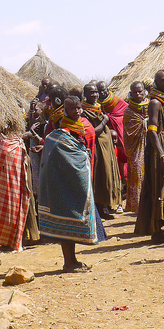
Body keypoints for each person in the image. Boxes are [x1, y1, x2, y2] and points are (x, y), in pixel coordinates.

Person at [38, 95, 100, 271]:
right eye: (73, 108)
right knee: (65, 222)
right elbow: (62, 158)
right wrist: (81, 159)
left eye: (79, 107)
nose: (77, 111)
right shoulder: (57, 136)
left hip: (72, 184)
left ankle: (73, 260)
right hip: (60, 185)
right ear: (65, 110)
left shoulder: (78, 129)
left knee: (71, 222)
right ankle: (68, 262)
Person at [134, 70, 164, 242]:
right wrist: (162, 155)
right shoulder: (155, 102)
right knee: (160, 186)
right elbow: (152, 132)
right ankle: (160, 229)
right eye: (163, 80)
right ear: (155, 82)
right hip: (160, 147)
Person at [82, 83, 121, 218]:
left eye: (96, 92)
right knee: (99, 177)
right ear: (85, 95)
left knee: (107, 176)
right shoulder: (83, 112)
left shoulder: (98, 108)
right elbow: (91, 132)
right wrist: (104, 122)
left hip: (106, 148)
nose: (94, 95)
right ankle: (99, 210)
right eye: (91, 93)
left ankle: (106, 207)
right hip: (97, 149)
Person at [96, 80, 129, 205]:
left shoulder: (116, 101)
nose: (102, 92)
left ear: (108, 89)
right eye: (99, 91)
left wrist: (111, 118)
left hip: (118, 135)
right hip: (106, 136)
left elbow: (125, 111)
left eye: (104, 89)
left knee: (123, 159)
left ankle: (125, 187)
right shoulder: (96, 104)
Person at [122, 81, 149, 213]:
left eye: (140, 91)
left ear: (145, 91)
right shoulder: (128, 111)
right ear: (130, 93)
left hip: (150, 145)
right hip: (136, 149)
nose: (138, 94)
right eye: (135, 92)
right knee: (138, 173)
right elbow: (129, 133)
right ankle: (137, 207)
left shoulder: (151, 106)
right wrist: (145, 123)